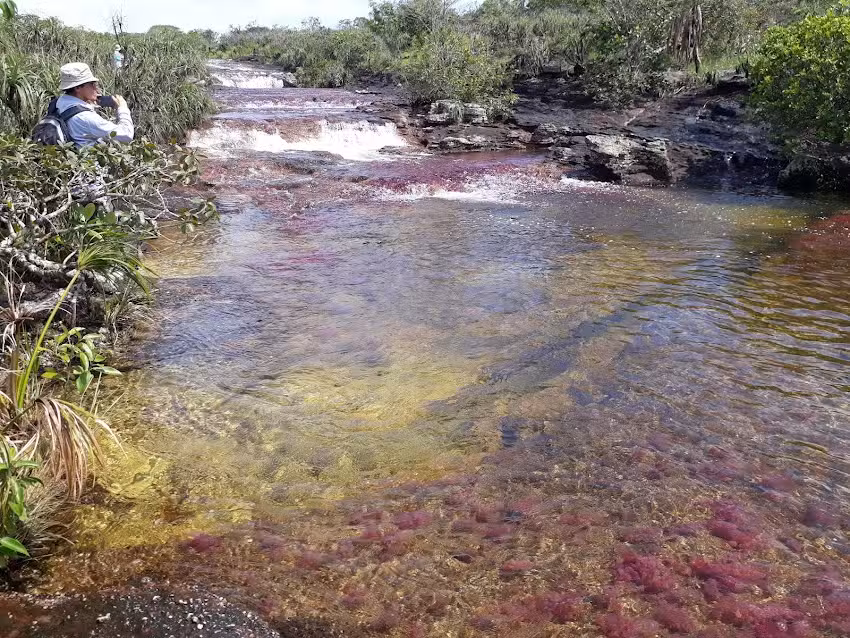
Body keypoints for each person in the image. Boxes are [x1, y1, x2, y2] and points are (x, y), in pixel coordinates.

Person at [56, 62, 134, 147]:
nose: (95, 88)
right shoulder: (86, 117)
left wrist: (88, 103)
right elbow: (126, 135)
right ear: (77, 88)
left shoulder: (59, 102)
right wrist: (123, 109)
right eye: (91, 84)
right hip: (86, 158)